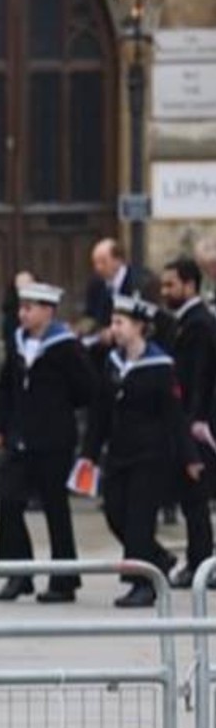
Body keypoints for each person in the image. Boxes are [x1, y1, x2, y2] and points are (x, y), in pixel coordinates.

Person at [0, 280, 95, 603]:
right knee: (9, 500)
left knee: (55, 507)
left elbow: (87, 388)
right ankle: (18, 573)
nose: (22, 314)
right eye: (21, 308)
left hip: (53, 439)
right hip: (20, 437)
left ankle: (64, 579)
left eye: (29, 308)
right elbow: (5, 386)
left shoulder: (65, 346)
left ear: (48, 311)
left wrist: (58, 406)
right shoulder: (17, 342)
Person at [94, 293, 200, 608]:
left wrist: (190, 457)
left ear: (139, 326)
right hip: (119, 453)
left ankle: (142, 584)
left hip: (151, 456)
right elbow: (101, 412)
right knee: (115, 513)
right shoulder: (112, 362)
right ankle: (158, 558)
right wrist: (88, 454)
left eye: (120, 322)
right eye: (113, 322)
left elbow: (174, 416)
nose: (114, 328)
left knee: (139, 520)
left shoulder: (160, 365)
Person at [158, 257, 216, 586]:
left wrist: (193, 421)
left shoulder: (199, 324)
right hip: (186, 422)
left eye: (171, 285)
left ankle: (202, 563)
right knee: (191, 499)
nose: (165, 291)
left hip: (196, 425)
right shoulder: (183, 322)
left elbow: (200, 378)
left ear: (190, 285)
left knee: (196, 499)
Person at [82, 237, 160, 339]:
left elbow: (148, 320)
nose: (98, 268)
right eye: (95, 263)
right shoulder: (95, 284)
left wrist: (114, 331)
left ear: (118, 260)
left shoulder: (141, 282)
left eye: (103, 262)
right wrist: (83, 327)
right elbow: (90, 315)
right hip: (101, 342)